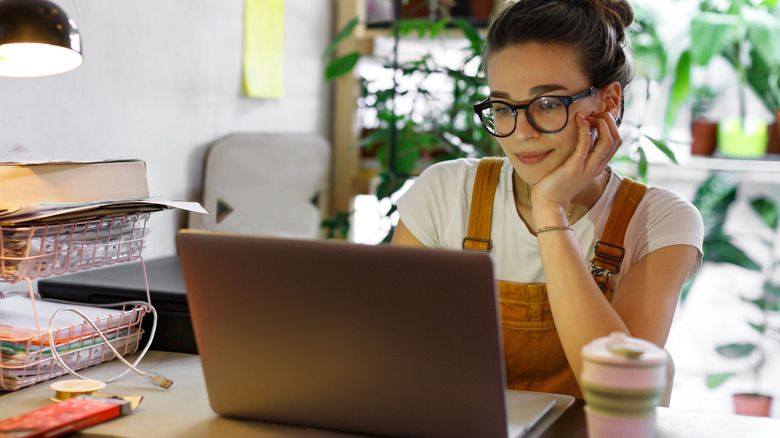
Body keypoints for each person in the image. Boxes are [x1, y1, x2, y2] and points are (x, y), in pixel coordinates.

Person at [391, 0, 703, 399]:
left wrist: (550, 211)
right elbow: (393, 353)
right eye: (503, 107)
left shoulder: (660, 221)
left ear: (608, 102)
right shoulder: (446, 191)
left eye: (548, 104)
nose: (520, 132)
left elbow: (622, 389)